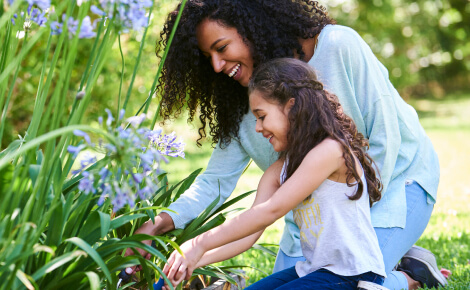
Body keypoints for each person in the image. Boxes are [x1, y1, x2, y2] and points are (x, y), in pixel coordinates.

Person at [125, 1, 446, 288]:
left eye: (222, 48)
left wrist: (352, 223)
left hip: (396, 185)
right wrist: (156, 225)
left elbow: (384, 138)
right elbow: (215, 185)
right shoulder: (246, 105)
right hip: (314, 220)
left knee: (359, 279)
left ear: (252, 28)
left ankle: (407, 277)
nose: (217, 65)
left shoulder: (337, 45)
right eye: (207, 56)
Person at [162, 58, 387, 289]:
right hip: (315, 270)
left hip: (353, 274)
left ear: (291, 106)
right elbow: (250, 233)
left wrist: (199, 243)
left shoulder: (331, 151)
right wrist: (193, 261)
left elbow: (271, 210)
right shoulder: (282, 168)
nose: (258, 127)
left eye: (261, 116)